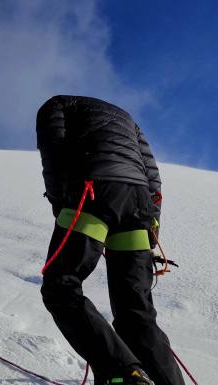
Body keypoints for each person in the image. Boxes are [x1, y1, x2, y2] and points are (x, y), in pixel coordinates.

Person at [36, 96, 184, 385]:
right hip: (139, 206)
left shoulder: (56, 105)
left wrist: (60, 203)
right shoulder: (128, 119)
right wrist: (152, 225)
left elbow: (53, 152)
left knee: (61, 287)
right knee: (136, 313)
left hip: (91, 193)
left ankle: (123, 374)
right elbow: (152, 174)